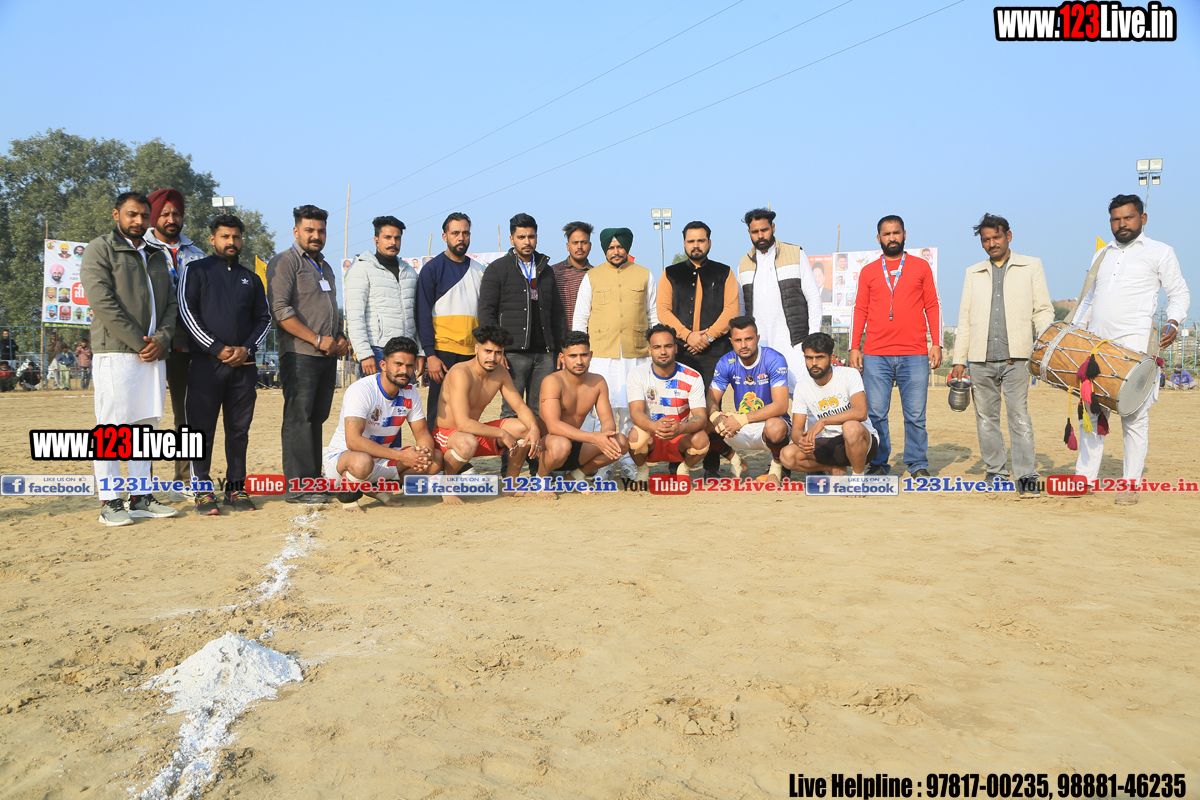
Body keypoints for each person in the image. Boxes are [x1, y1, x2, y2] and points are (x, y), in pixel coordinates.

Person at [1070, 194, 1190, 505]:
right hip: (1096, 347)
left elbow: (1179, 293)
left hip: (1135, 350)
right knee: (1090, 413)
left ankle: (1129, 485)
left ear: (1142, 219)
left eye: (1128, 218)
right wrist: (1074, 333)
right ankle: (1084, 479)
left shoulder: (1160, 251)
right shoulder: (1102, 254)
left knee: (1134, 419)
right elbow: (1089, 298)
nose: (1121, 224)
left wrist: (1174, 321)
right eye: (1116, 219)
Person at [80, 191, 180, 526]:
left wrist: (161, 340)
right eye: (131, 214)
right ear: (116, 215)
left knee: (146, 425)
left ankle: (140, 497)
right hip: (117, 352)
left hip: (153, 355)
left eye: (143, 216)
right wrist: (140, 342)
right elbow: (102, 302)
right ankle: (110, 501)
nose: (138, 221)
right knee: (112, 428)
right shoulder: (100, 249)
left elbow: (171, 303)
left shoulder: (156, 253)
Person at [951, 213, 1054, 497]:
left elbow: (1043, 310)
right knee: (986, 419)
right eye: (986, 240)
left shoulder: (1031, 265)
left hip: (1017, 359)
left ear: (1008, 236)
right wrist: (959, 359)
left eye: (996, 237)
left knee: (1019, 416)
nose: (991, 243)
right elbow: (964, 318)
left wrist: (1044, 343)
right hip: (979, 359)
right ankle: (996, 472)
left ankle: (1026, 476)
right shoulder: (973, 272)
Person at [179, 214, 272, 515]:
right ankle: (202, 490)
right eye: (225, 236)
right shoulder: (196, 271)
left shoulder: (251, 279)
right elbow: (187, 312)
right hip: (206, 365)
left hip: (243, 368)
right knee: (200, 431)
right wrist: (216, 348)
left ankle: (236, 488)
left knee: (238, 431)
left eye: (236, 237)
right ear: (213, 239)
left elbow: (264, 319)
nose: (231, 242)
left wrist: (247, 349)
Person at [267, 204, 350, 504]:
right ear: (296, 231)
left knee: (316, 418)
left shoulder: (325, 266)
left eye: (321, 230)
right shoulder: (285, 262)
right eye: (309, 230)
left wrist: (338, 336)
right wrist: (316, 339)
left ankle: (313, 479)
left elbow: (331, 309)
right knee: (299, 418)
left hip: (326, 355)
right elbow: (280, 311)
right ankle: (298, 486)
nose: (316, 235)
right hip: (300, 354)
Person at [849, 215, 942, 477]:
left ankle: (917, 463)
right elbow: (860, 309)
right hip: (876, 354)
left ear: (904, 235)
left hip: (914, 353)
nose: (892, 238)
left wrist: (937, 343)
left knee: (915, 415)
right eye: (887, 234)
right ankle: (879, 462)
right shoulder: (868, 271)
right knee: (876, 414)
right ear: (878, 238)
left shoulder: (921, 267)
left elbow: (932, 306)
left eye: (896, 232)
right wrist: (854, 347)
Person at [573, 227, 658, 482]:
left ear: (627, 248)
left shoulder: (644, 274)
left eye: (620, 246)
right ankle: (605, 463)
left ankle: (629, 461)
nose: (616, 251)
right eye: (611, 247)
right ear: (604, 250)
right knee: (604, 410)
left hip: (637, 353)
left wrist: (656, 350)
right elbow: (580, 317)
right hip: (602, 355)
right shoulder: (592, 276)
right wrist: (579, 353)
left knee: (634, 410)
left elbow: (653, 315)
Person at [657, 221, 740, 478]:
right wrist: (687, 336)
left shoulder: (724, 272)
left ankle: (711, 466)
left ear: (709, 243)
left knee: (710, 406)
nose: (696, 245)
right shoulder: (670, 273)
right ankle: (676, 462)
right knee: (678, 405)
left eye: (701, 240)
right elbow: (663, 310)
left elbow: (732, 309)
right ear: (684, 243)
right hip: (680, 352)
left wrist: (709, 336)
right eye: (691, 241)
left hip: (714, 352)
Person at [323, 336, 442, 512]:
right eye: (398, 364)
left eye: (409, 366)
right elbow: (353, 441)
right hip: (345, 459)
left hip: (381, 460)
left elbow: (423, 433)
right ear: (384, 365)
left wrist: (423, 455)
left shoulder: (411, 392)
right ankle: (347, 494)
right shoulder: (361, 390)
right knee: (362, 462)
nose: (404, 371)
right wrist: (402, 456)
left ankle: (375, 487)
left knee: (436, 459)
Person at [144, 188, 208, 499]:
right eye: (165, 213)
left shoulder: (197, 255)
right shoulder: (139, 250)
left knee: (187, 415)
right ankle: (142, 486)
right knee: (145, 416)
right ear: (153, 216)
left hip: (186, 346)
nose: (171, 219)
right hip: (148, 346)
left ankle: (183, 482)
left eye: (177, 213)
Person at [478, 213, 564, 442]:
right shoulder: (497, 269)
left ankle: (537, 460)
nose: (527, 241)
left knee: (542, 412)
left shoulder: (546, 270)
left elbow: (556, 313)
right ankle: (510, 461)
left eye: (531, 236)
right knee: (511, 412)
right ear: (511, 239)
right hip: (512, 354)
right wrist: (498, 352)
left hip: (544, 354)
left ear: (537, 237)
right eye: (521, 237)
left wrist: (559, 349)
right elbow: (487, 313)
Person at [433, 325, 542, 503]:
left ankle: (511, 486)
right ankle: (447, 484)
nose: (492, 358)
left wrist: (534, 428)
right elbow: (463, 424)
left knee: (524, 428)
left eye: (498, 353)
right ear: (477, 348)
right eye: (488, 351)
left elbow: (520, 407)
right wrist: (502, 433)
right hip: (446, 436)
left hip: (472, 435)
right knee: (467, 442)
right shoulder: (461, 372)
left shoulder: (500, 372)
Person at [737, 208, 822, 389]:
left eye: (764, 229)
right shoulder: (743, 263)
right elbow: (742, 307)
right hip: (760, 346)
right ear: (749, 232)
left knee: (803, 394)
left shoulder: (795, 254)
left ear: (773, 228)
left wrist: (813, 336)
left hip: (795, 343)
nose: (760, 235)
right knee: (763, 398)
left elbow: (813, 296)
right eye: (755, 231)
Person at [536, 330, 629, 488]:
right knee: (561, 444)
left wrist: (607, 435)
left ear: (591, 355)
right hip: (546, 448)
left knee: (620, 442)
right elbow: (553, 426)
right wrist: (593, 438)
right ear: (562, 357)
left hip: (575, 446)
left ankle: (575, 476)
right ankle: (540, 479)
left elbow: (607, 418)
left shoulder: (598, 381)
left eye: (583, 355)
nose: (579, 361)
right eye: (572, 356)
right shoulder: (552, 381)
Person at [415, 212, 486, 418]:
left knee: (467, 410)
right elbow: (422, 314)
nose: (461, 238)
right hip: (442, 352)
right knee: (440, 412)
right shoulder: (431, 269)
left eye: (465, 233)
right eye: (455, 233)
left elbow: (485, 312)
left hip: (471, 353)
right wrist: (430, 355)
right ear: (445, 236)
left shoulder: (479, 270)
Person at [707, 316, 792, 482]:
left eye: (748, 339)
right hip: (740, 426)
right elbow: (711, 399)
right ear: (731, 341)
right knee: (703, 421)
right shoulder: (726, 361)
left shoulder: (774, 359)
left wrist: (742, 419)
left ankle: (776, 466)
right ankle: (735, 460)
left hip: (769, 427)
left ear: (757, 338)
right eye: (738, 340)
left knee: (775, 426)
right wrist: (716, 417)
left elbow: (781, 406)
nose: (743, 345)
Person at [782, 332, 880, 476]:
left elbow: (861, 412)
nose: (814, 363)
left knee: (850, 427)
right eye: (809, 358)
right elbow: (797, 428)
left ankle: (858, 477)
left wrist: (823, 421)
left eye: (820, 357)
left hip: (863, 442)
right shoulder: (802, 387)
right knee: (787, 455)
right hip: (831, 442)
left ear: (832, 357)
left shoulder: (849, 374)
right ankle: (833, 468)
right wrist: (800, 440)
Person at [627, 324, 710, 481]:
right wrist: (654, 426)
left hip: (680, 437)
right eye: (657, 347)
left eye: (668, 346)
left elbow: (701, 416)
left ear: (676, 348)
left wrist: (681, 428)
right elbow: (636, 412)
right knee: (636, 435)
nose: (663, 351)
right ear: (650, 350)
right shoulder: (637, 373)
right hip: (652, 435)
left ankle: (683, 470)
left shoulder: (693, 377)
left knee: (701, 439)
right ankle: (642, 470)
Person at [345, 215, 422, 378]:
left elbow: (416, 315)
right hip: (377, 350)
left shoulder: (409, 273)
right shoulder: (361, 269)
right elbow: (355, 316)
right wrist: (364, 354)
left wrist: (420, 351)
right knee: (377, 395)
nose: (393, 242)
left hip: (407, 351)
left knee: (404, 395)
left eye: (397, 238)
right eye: (387, 237)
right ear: (376, 240)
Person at [552, 222, 594, 330]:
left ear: (590, 245)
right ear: (568, 246)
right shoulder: (553, 273)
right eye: (575, 242)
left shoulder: (596, 275)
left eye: (584, 242)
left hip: (589, 337)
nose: (579, 247)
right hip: (560, 336)